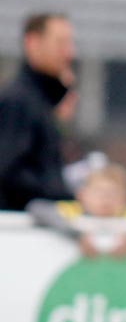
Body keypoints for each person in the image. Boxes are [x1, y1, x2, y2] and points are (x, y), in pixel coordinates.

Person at [0, 12, 76, 211]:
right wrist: (63, 196)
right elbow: (10, 172)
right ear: (33, 43)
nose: (69, 53)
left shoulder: (40, 101)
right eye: (60, 43)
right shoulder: (18, 101)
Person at [29, 162, 126, 257]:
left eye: (113, 194)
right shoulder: (73, 212)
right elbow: (37, 208)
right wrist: (76, 234)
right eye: (99, 192)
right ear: (82, 195)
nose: (106, 199)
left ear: (125, 198)